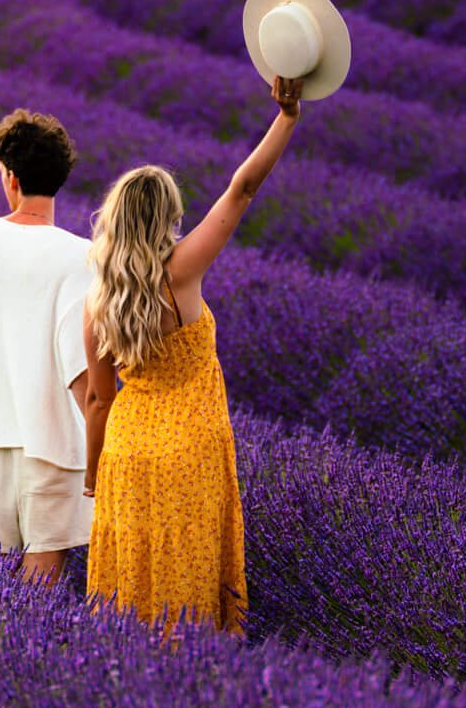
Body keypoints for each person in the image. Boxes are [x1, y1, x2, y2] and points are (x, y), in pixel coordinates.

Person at [82, 75, 304, 636]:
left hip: (127, 454)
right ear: (167, 220)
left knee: (130, 589)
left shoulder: (97, 303)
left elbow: (98, 401)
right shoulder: (180, 272)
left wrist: (92, 476)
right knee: (187, 584)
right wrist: (287, 117)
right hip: (191, 449)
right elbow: (243, 188)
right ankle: (191, 683)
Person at [0, 109, 94, 586]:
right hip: (52, 444)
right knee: (40, 592)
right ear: (60, 178)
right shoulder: (80, 256)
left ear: (9, 177)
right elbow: (83, 371)